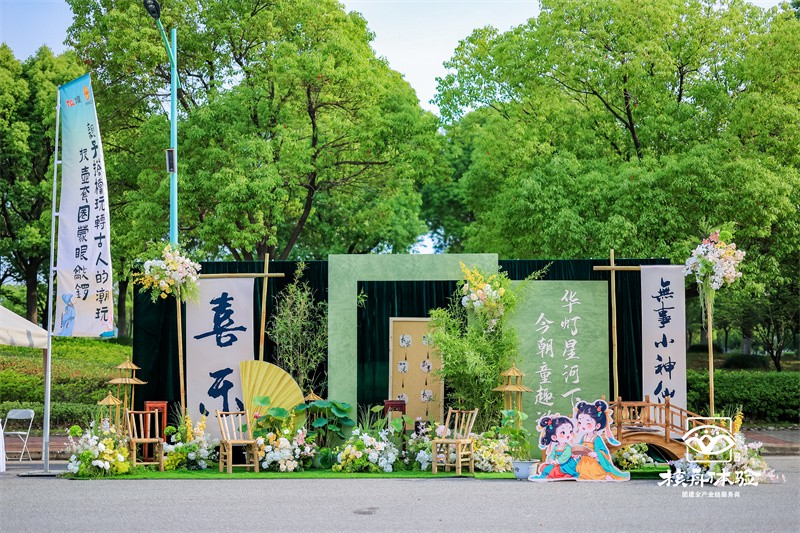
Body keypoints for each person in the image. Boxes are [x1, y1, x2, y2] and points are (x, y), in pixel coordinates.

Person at [574, 400, 630, 481]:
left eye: (588, 423)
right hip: (584, 460)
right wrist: (577, 454)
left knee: (595, 471)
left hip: (593, 461)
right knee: (583, 472)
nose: (583, 426)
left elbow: (603, 451)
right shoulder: (584, 437)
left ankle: (604, 476)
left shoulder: (596, 438)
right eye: (580, 422)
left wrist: (596, 454)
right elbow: (580, 447)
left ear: (597, 425)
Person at [529, 415, 578, 481]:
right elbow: (552, 454)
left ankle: (566, 475)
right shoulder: (555, 447)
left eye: (570, 431)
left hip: (566, 464)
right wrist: (551, 459)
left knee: (558, 470)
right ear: (554, 437)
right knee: (546, 468)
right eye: (563, 432)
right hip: (557, 463)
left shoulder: (568, 447)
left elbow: (565, 456)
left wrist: (557, 461)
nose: (568, 434)